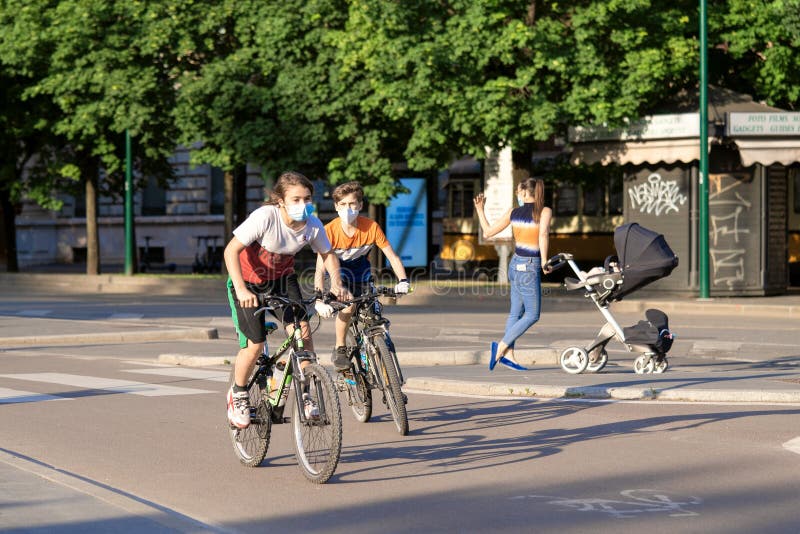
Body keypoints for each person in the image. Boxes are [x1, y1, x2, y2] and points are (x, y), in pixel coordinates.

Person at [224, 170, 347, 429]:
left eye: (307, 199)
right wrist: (242, 289)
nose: (303, 205)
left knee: (302, 333)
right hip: (247, 283)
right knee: (255, 346)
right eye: (296, 200)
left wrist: (337, 284)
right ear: (280, 200)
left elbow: (328, 254)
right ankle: (238, 394)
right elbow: (230, 250)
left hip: (281, 280)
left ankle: (306, 396)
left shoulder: (312, 225)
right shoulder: (265, 217)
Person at [313, 181, 409, 371]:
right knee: (348, 308)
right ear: (336, 207)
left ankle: (384, 365)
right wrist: (318, 300)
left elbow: (392, 256)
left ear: (360, 205)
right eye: (343, 205)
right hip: (338, 276)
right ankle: (340, 347)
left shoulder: (371, 227)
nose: (348, 209)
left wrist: (403, 281)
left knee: (374, 312)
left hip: (362, 274)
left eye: (352, 204)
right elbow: (319, 269)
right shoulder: (329, 231)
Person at [473, 177, 553, 371]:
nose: (517, 195)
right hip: (529, 264)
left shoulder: (513, 212)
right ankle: (500, 346)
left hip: (515, 264)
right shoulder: (544, 211)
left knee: (515, 313)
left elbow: (489, 232)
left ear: (526, 193)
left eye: (518, 191)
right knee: (533, 314)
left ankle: (509, 355)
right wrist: (544, 261)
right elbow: (543, 235)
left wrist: (480, 210)